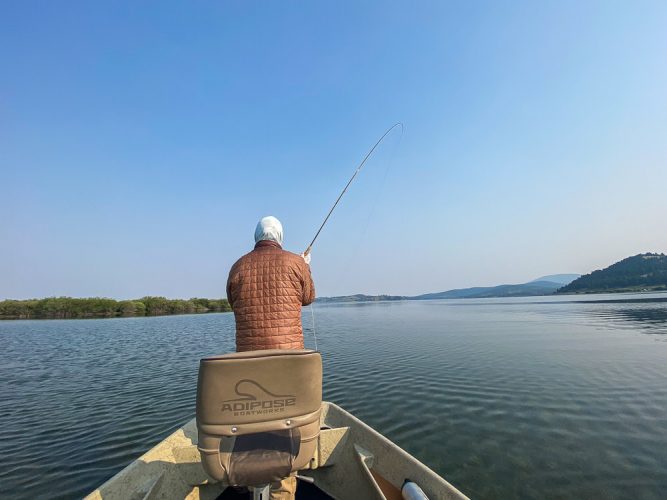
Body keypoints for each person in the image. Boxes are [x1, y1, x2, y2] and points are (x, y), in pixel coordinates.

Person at [225, 215, 315, 500]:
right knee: (285, 430)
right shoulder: (295, 262)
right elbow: (308, 296)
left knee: (256, 425)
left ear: (256, 237)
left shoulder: (237, 266)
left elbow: (233, 302)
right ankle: (282, 490)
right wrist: (305, 266)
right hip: (288, 366)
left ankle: (251, 479)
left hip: (248, 370)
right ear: (280, 236)